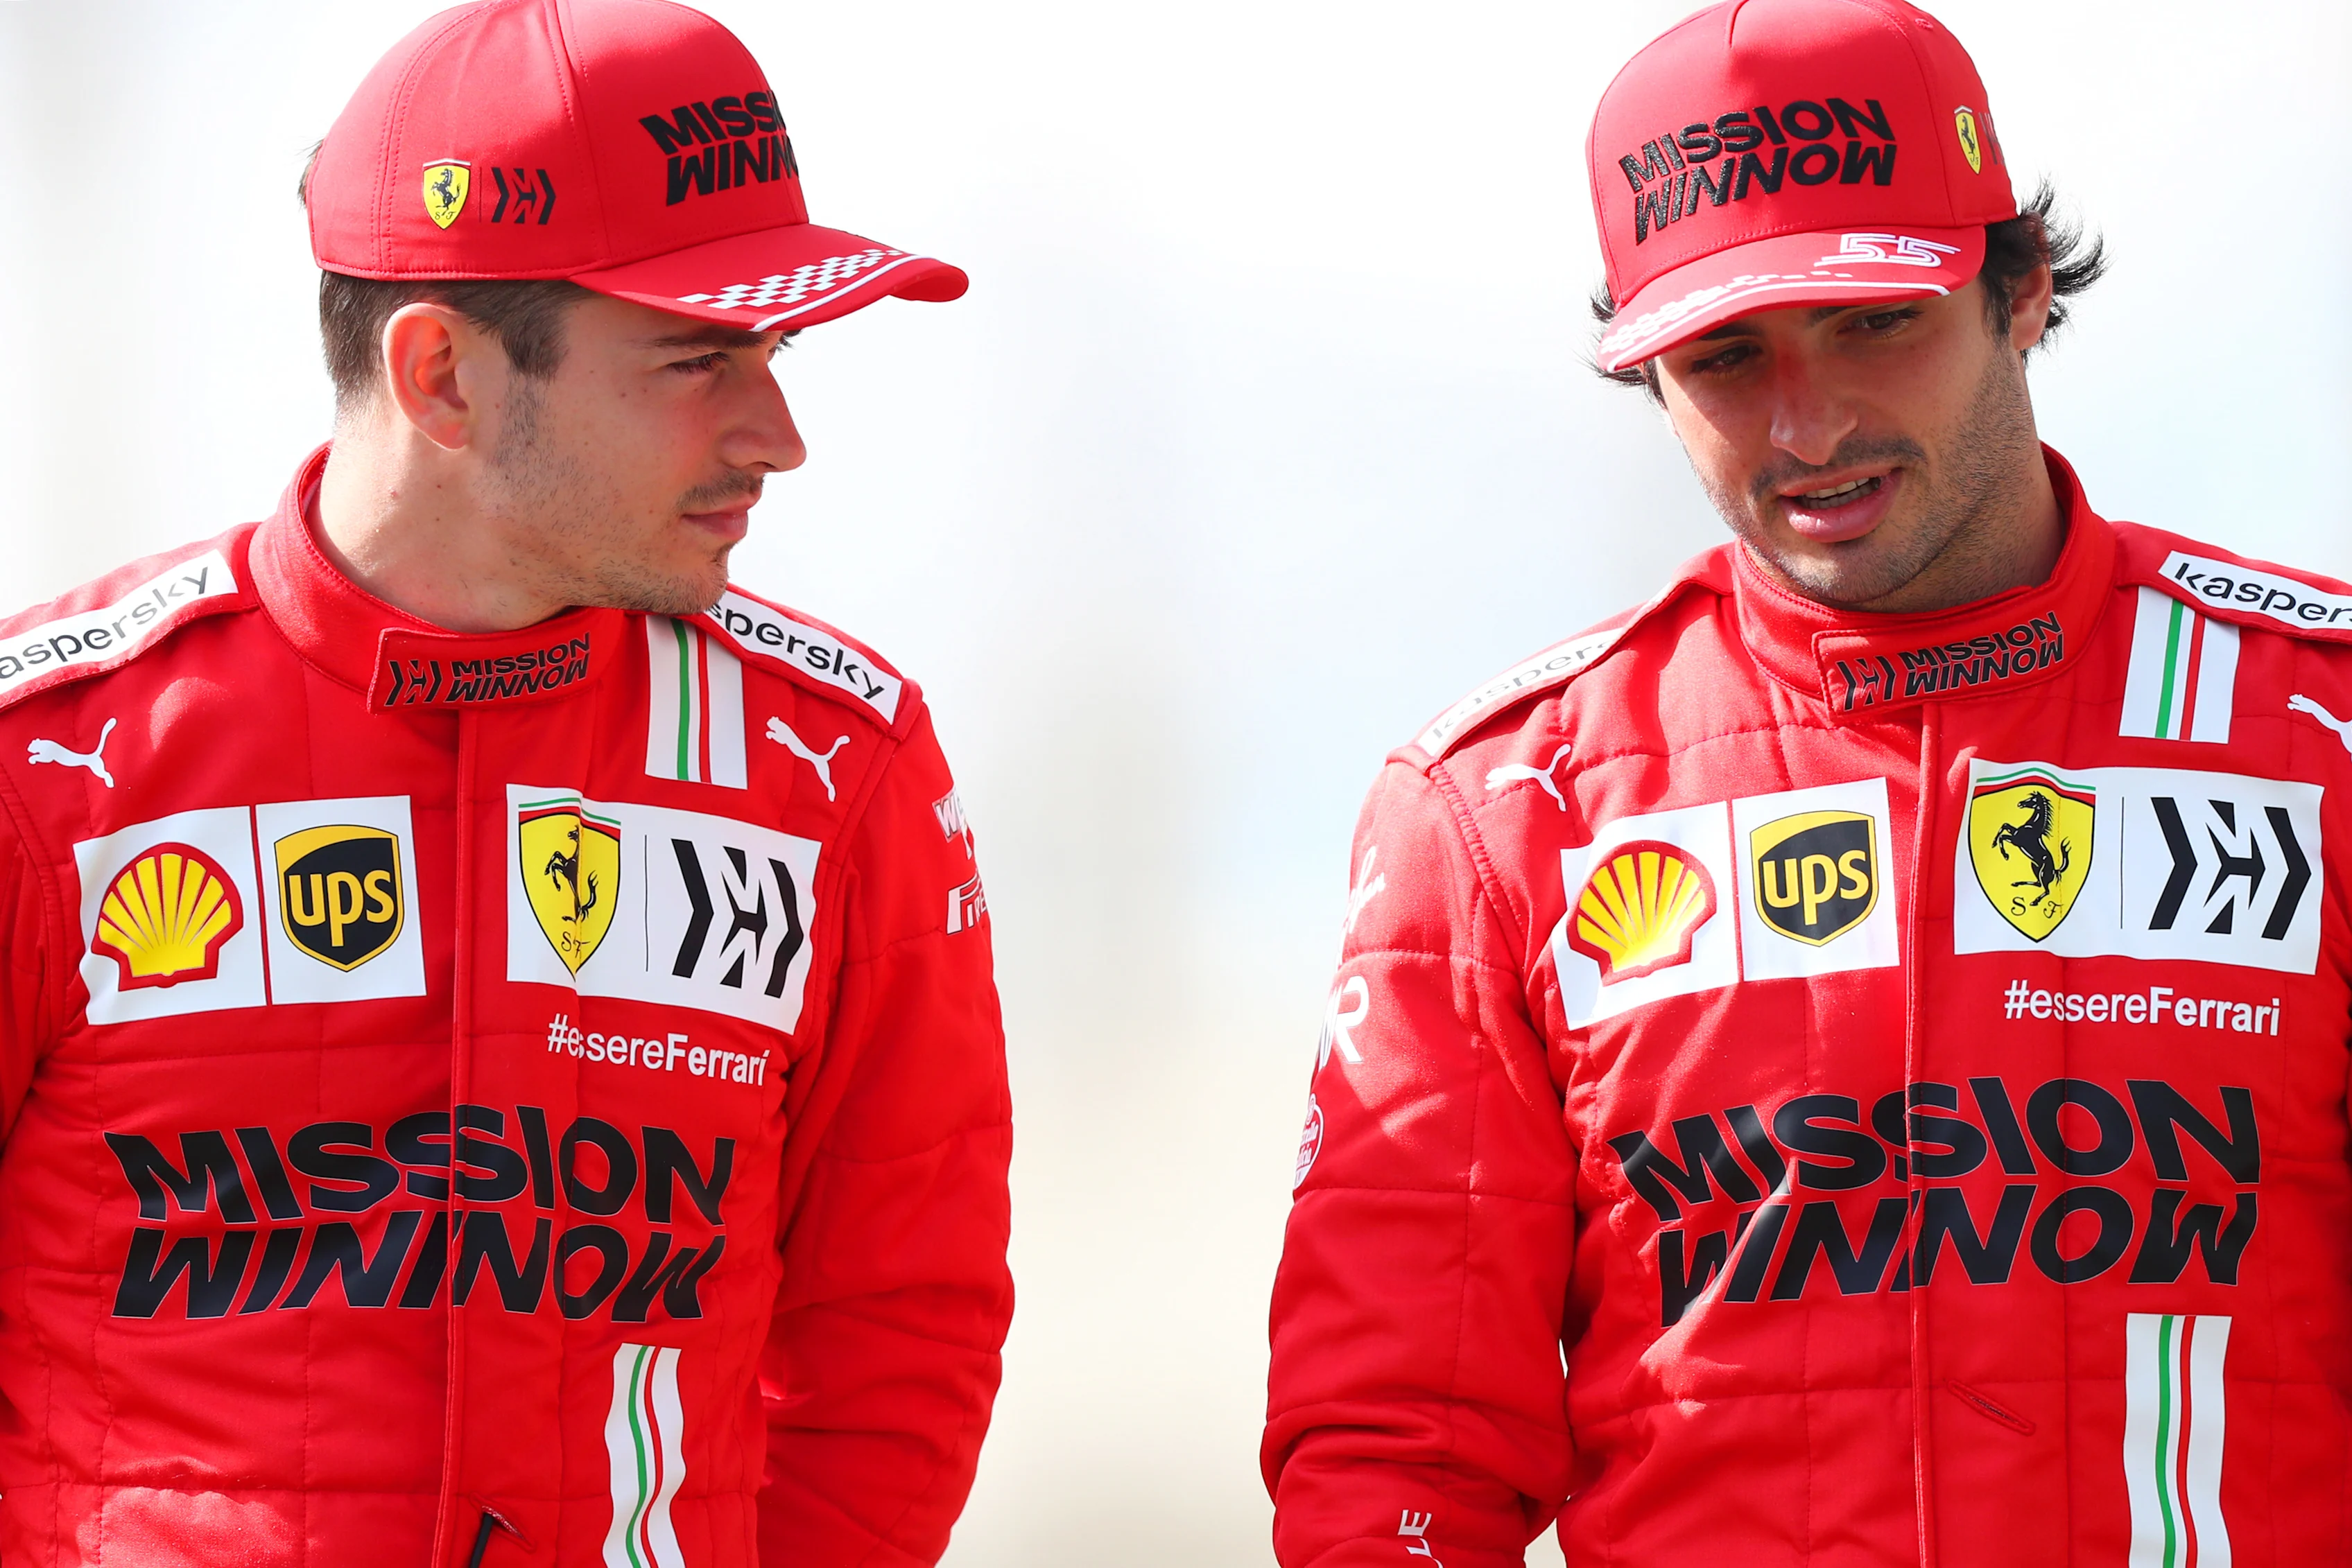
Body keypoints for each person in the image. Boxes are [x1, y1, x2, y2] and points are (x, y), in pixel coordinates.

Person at [1263, 0, 2352, 1562]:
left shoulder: (2316, 723)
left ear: (2021, 290)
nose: (1809, 424)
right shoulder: (1504, 807)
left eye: (1871, 322)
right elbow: (1400, 1452)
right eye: (1725, 356)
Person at [0, 2, 1010, 1563]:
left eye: (778, 352)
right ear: (442, 378)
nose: (778, 436)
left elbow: (896, 1339)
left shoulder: (834, 768)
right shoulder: (53, 762)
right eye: (699, 358)